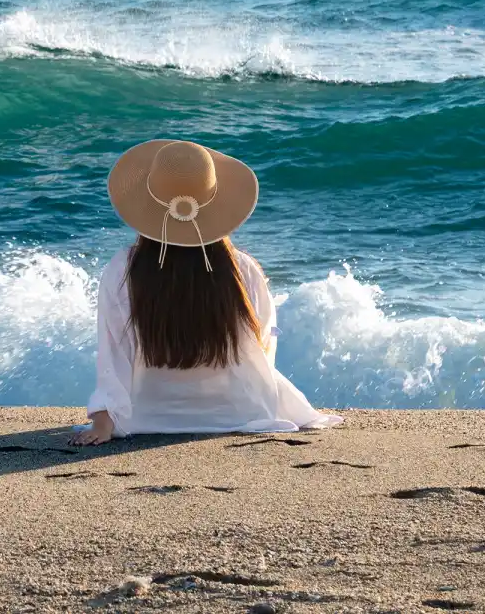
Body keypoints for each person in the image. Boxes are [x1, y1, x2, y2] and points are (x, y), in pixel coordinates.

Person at [71, 140, 342, 446]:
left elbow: (114, 353)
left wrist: (104, 423)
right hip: (241, 412)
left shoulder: (124, 269)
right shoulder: (242, 269)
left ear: (146, 204)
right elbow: (263, 345)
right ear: (215, 207)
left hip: (148, 416)